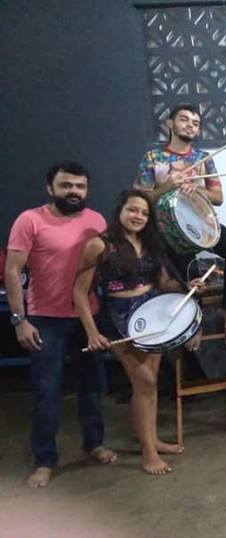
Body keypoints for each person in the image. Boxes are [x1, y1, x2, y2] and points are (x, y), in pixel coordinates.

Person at [5, 161, 117, 488]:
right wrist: (19, 320)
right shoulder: (30, 220)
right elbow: (12, 271)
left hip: (87, 317)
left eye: (80, 186)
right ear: (50, 188)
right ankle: (45, 460)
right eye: (66, 185)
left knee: (91, 386)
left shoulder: (96, 221)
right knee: (46, 391)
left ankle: (94, 443)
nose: (74, 191)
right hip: (45, 318)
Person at [74, 190, 198, 475]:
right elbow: (80, 292)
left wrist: (187, 286)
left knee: (149, 383)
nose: (138, 216)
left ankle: (152, 439)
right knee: (144, 383)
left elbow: (163, 283)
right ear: (120, 210)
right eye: (132, 210)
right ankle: (148, 453)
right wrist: (92, 332)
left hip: (152, 313)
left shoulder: (151, 243)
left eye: (143, 212)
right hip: (119, 317)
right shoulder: (99, 245)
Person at [133, 104, 226, 339]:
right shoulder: (152, 158)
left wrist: (197, 189)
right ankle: (193, 325)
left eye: (195, 123)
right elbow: (139, 201)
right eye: (184, 120)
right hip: (168, 230)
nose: (190, 125)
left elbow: (218, 198)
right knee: (189, 273)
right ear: (170, 124)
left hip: (202, 224)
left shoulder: (203, 158)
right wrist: (166, 187)